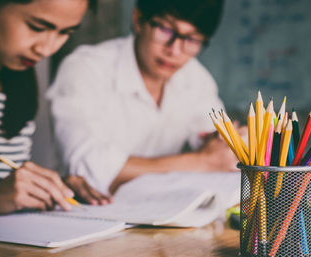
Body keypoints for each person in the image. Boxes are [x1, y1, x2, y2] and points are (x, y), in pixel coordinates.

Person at [48, 0, 241, 195]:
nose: (174, 50)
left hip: (162, 215)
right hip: (87, 213)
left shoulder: (196, 79)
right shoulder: (86, 69)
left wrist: (221, 144)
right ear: (138, 19)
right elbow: (88, 171)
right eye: (165, 29)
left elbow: (215, 144)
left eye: (191, 39)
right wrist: (202, 162)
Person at [0, 0, 112, 219]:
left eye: (65, 32)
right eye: (37, 27)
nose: (46, 49)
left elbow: (0, 185)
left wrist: (48, 189)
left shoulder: (18, 79)